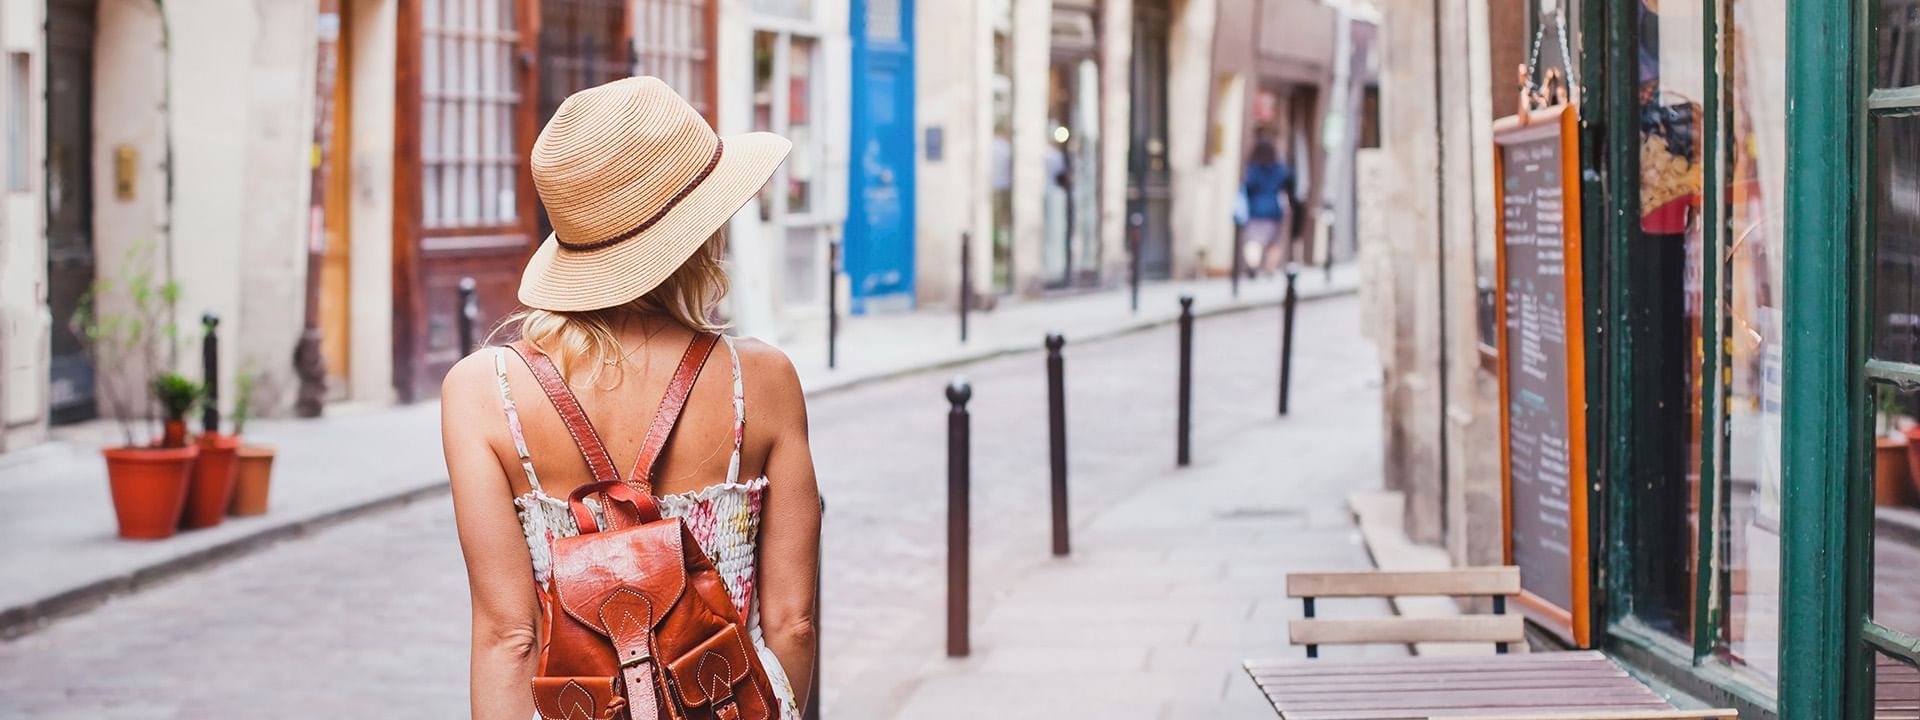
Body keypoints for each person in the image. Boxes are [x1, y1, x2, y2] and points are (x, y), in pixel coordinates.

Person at [440, 77, 819, 720]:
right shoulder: (760, 380)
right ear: (698, 233)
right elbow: (793, 622)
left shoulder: (482, 393)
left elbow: (509, 636)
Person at [1242, 138, 1297, 274]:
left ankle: (1253, 266)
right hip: (1274, 208)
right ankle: (1270, 268)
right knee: (1274, 241)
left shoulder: (1253, 169)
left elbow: (1248, 186)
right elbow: (1290, 180)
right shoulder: (1279, 168)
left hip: (1256, 209)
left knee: (1254, 239)